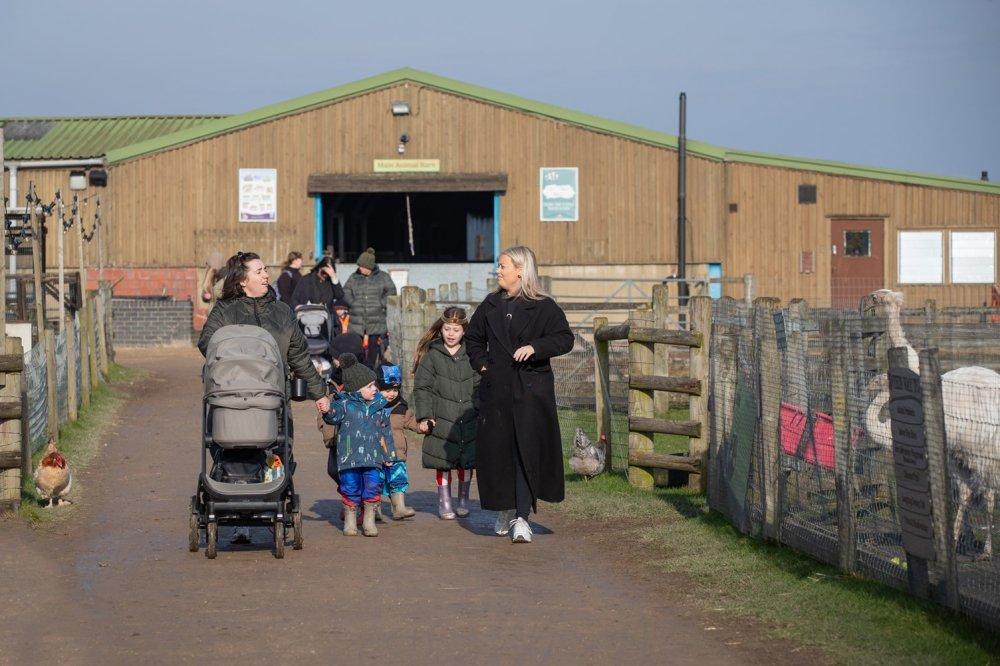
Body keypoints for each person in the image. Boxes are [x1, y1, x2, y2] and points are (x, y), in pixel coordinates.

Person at [198, 250, 330, 543]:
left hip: (275, 401)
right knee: (231, 454)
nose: (266, 275)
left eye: (264, 270)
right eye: (258, 271)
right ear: (242, 280)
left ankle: (273, 511)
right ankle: (238, 518)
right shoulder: (225, 310)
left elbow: (299, 357)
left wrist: (320, 394)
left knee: (281, 454)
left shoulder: (282, 312)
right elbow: (207, 343)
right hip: (231, 400)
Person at [464, 246, 574, 543]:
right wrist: (484, 366)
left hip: (530, 392)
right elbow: (473, 340)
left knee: (526, 452)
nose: (497, 271)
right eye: (498, 266)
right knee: (499, 454)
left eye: (502, 266)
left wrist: (536, 347)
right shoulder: (489, 305)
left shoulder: (544, 307)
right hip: (496, 392)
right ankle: (505, 507)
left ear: (520, 270)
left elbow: (565, 339)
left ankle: (522, 517)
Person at [412, 307, 479, 520]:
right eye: (447, 329)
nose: (451, 334)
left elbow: (480, 384)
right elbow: (422, 388)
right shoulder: (432, 356)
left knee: (466, 461)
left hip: (469, 418)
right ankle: (445, 502)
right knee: (443, 463)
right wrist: (425, 416)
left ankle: (463, 499)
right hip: (441, 420)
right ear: (441, 330)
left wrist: (479, 409)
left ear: (464, 332)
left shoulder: (473, 355)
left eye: (456, 330)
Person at [323, 353, 395, 537]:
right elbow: (332, 417)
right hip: (349, 457)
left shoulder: (380, 406)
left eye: (375, 385)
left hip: (372, 458)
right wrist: (327, 408)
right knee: (350, 487)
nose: (374, 389)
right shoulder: (344, 404)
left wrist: (389, 456)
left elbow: (385, 433)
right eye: (370, 386)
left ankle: (369, 521)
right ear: (356, 389)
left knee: (373, 486)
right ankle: (350, 520)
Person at [375, 363, 423, 520]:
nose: (391, 394)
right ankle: (373, 510)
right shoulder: (372, 408)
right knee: (375, 482)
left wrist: (421, 426)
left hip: (397, 452)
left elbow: (410, 421)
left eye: (395, 390)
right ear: (377, 388)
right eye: (387, 390)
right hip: (376, 455)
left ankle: (399, 507)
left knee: (398, 478)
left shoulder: (401, 406)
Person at [343, 247, 397, 368]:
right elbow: (345, 291)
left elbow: (391, 291)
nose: (360, 268)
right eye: (359, 266)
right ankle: (356, 369)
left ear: (370, 266)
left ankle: (371, 371)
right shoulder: (353, 277)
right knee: (355, 347)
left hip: (376, 320)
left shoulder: (383, 277)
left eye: (362, 266)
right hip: (357, 320)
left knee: (374, 349)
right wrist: (352, 303)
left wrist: (381, 303)